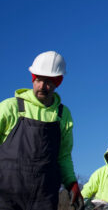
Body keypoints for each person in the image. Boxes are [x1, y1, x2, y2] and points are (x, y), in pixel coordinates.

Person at [0, 50, 83, 209]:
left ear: (58, 82)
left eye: (49, 82)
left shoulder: (62, 115)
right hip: (5, 197)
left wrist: (71, 183)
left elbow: (64, 155)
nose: (42, 86)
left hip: (44, 198)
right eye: (38, 80)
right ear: (32, 78)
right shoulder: (10, 107)